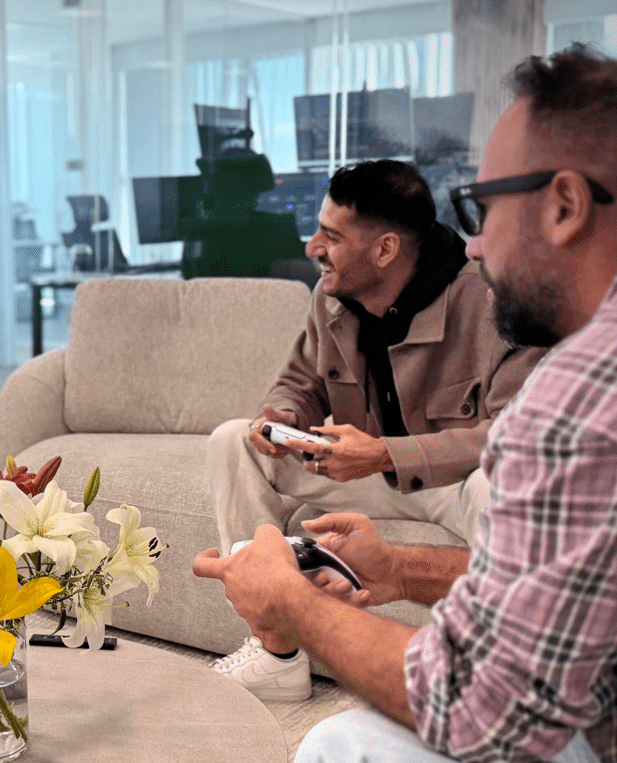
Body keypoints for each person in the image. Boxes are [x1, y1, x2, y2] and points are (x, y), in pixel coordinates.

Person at [195, 44, 617, 763]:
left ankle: (282, 647)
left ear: (564, 205)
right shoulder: (334, 303)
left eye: (486, 205)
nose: (475, 242)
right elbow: (589, 586)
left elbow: (480, 710)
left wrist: (298, 606)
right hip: (374, 491)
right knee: (237, 440)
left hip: (436, 474)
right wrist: (397, 568)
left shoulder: (578, 388)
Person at [206, 159, 543, 702]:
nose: (313, 246)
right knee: (232, 439)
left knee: (504, 485)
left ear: (385, 250)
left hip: (457, 481)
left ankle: (501, 676)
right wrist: (285, 417)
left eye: (332, 236)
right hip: (365, 470)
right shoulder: (331, 296)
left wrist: (386, 453)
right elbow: (300, 382)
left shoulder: (492, 302)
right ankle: (275, 652)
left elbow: (514, 439)